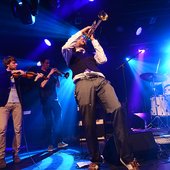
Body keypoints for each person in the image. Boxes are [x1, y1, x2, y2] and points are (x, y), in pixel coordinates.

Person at [62, 26, 140, 170]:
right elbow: (66, 45)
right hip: (82, 81)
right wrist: (81, 32)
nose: (82, 39)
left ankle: (127, 157)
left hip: (100, 80)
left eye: (82, 38)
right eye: (80, 39)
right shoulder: (70, 54)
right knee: (88, 119)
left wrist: (93, 39)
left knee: (117, 108)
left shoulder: (91, 54)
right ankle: (96, 158)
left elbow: (103, 59)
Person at [0, 56, 42, 168]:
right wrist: (15, 73)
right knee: (2, 130)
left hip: (17, 104)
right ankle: (1, 157)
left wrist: (35, 79)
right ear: (8, 64)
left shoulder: (18, 77)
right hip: (4, 105)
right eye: (14, 63)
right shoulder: (3, 74)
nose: (16, 65)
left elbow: (27, 87)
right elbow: (4, 80)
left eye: (16, 63)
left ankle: (16, 154)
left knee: (18, 129)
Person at [37, 58, 68, 152]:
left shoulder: (52, 74)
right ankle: (49, 144)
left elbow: (58, 86)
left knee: (58, 121)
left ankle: (60, 142)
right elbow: (42, 85)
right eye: (46, 63)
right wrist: (50, 74)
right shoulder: (39, 73)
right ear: (42, 63)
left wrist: (57, 76)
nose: (48, 64)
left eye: (49, 63)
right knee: (48, 123)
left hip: (55, 99)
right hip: (46, 100)